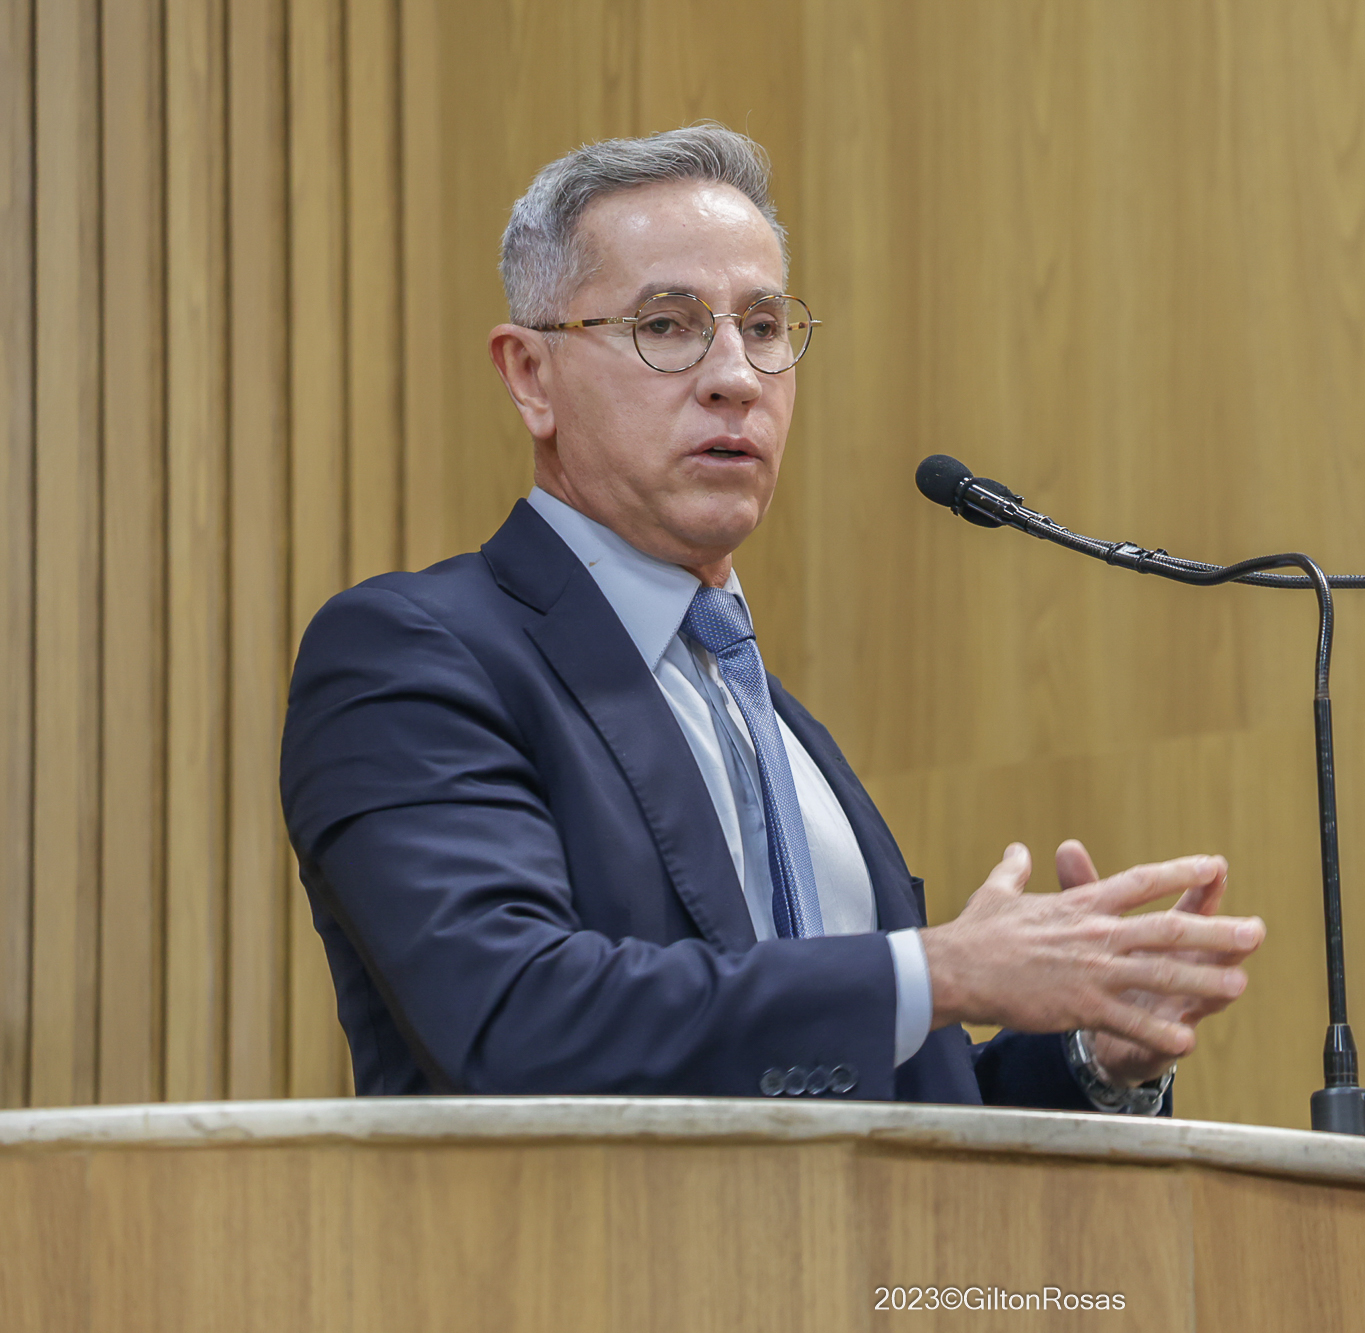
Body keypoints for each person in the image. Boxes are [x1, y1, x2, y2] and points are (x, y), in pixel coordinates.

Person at [280, 123, 1265, 1113]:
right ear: (531, 376)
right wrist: (937, 973)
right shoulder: (413, 656)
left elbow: (877, 1101)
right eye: (667, 326)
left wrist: (1089, 1053)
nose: (736, 377)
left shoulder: (774, 720)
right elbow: (513, 1021)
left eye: (760, 327)